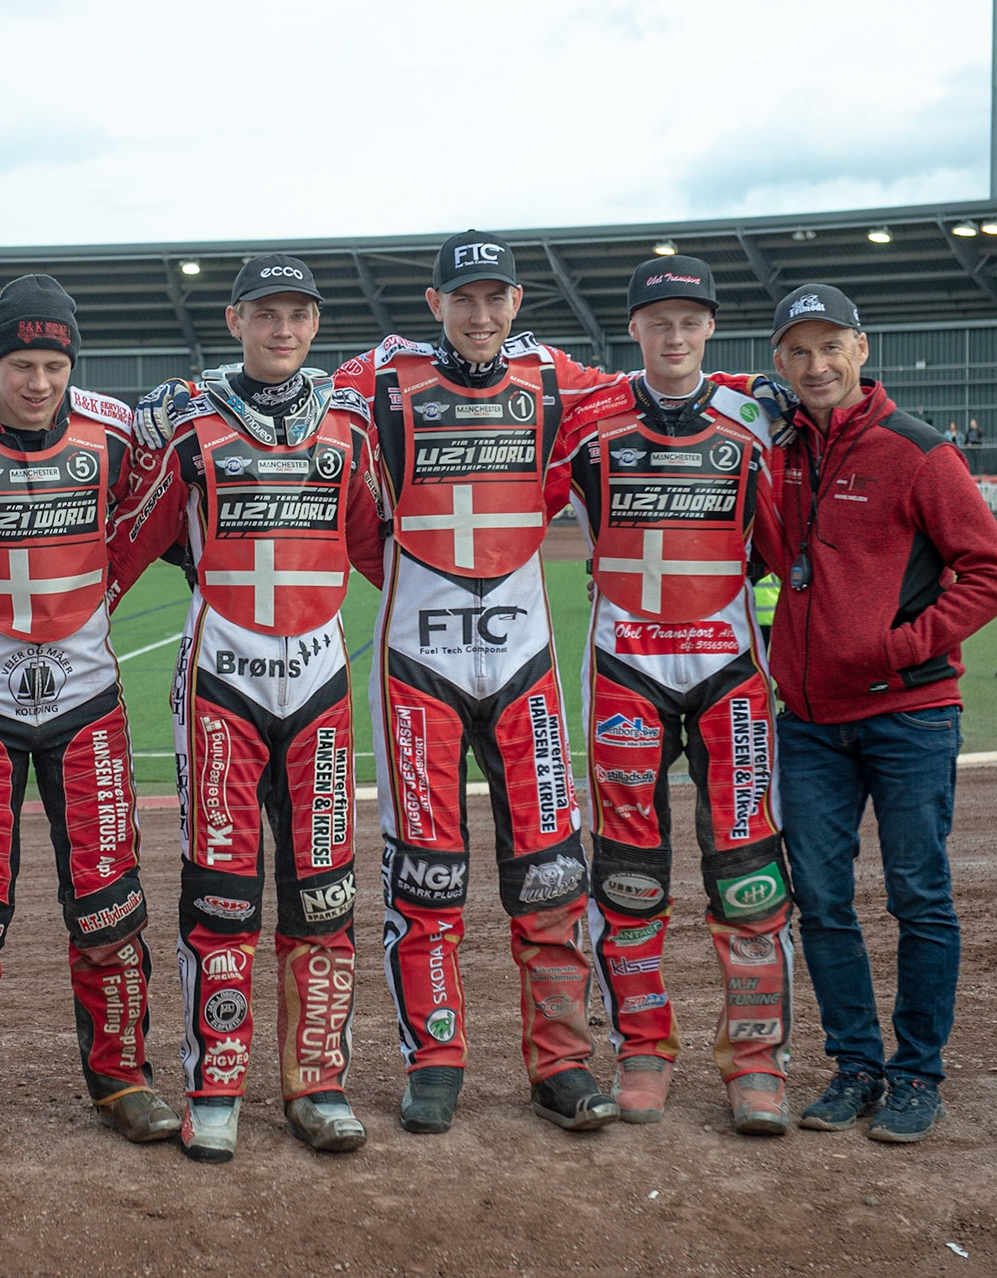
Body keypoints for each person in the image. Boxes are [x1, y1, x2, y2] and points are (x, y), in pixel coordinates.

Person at [332, 231, 621, 1134]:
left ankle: (562, 1062)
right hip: (419, 660)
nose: (481, 315)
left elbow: (650, 390)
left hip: (524, 659)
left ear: (518, 302)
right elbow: (290, 395)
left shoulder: (555, 377)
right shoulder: (379, 378)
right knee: (426, 871)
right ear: (434, 305)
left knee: (550, 869)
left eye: (496, 298)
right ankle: (437, 1058)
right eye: (464, 299)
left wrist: (743, 389)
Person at [0, 275, 180, 1155]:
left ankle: (124, 1078)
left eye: (54, 363)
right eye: (22, 362)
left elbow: (172, 519)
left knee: (110, 900)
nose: (39, 381)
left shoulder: (117, 430)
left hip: (88, 703)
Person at [109, 255, 387, 1161]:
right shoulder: (189, 424)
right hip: (219, 680)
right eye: (266, 314)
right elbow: (126, 540)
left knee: (326, 885)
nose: (284, 329)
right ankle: (214, 1084)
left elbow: (378, 545)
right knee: (220, 891)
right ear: (235, 320)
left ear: (314, 324)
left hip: (318, 681)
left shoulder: (345, 424)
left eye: (299, 315)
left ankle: (319, 1083)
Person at [765, 283, 997, 1143]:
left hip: (908, 716)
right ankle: (855, 1066)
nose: (816, 364)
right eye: (798, 351)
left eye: (830, 346)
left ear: (861, 351)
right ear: (780, 363)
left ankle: (916, 1075)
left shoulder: (917, 451)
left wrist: (899, 646)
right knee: (823, 902)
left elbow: (991, 572)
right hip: (807, 724)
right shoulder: (782, 452)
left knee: (919, 897)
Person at [553, 257, 794, 1134]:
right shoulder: (587, 424)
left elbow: (774, 541)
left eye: (691, 321)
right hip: (626, 666)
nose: (677, 335)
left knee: (751, 873)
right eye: (660, 322)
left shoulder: (754, 419)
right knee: (626, 874)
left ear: (711, 329)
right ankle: (644, 1048)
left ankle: (758, 1061)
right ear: (635, 330)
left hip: (731, 666)